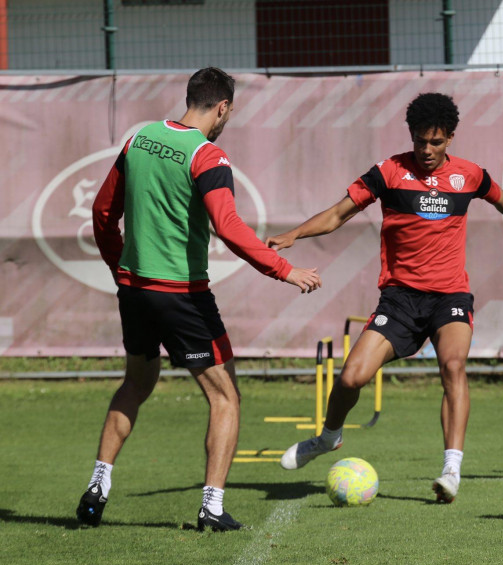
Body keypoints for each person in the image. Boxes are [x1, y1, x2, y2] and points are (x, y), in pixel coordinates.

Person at [268, 92, 503, 503]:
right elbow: (337, 213)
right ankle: (329, 438)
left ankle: (451, 469)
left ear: (450, 138)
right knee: (351, 377)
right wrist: (296, 233)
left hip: (449, 296)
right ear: (411, 137)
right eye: (420, 141)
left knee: (453, 365)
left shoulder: (469, 175)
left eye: (435, 142)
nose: (427, 150)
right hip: (399, 299)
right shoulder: (388, 172)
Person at [79, 67, 322, 531]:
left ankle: (98, 485)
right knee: (226, 397)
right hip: (181, 296)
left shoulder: (140, 139)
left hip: (134, 290)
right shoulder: (208, 156)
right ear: (223, 107)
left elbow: (102, 212)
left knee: (136, 384)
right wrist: (285, 270)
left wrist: (119, 267)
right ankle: (211, 506)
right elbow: (229, 228)